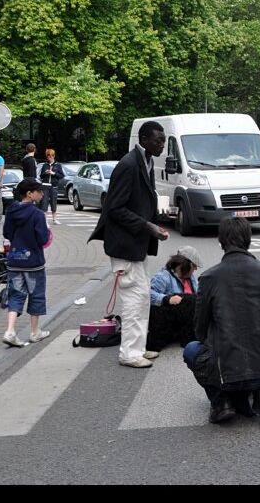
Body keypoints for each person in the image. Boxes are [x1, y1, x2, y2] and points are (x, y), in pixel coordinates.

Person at [182, 218, 260, 426]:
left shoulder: (208, 278)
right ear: (249, 240)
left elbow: (200, 332)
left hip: (224, 372)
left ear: (221, 242)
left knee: (191, 350)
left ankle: (221, 401)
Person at [88, 121, 170, 368]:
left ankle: (138, 347)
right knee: (135, 297)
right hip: (125, 244)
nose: (162, 145)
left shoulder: (145, 160)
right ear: (144, 139)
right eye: (158, 141)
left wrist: (154, 222)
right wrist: (148, 226)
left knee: (142, 296)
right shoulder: (128, 165)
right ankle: (129, 353)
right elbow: (114, 209)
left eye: (163, 141)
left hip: (136, 243)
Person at [1, 178, 52, 347]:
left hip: (15, 260)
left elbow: (7, 233)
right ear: (30, 194)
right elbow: (43, 238)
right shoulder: (37, 214)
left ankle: (10, 331)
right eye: (39, 191)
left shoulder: (11, 211)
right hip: (34, 261)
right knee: (36, 295)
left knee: (15, 294)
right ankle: (35, 332)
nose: (42, 193)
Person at [146, 246, 202, 353]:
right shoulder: (163, 277)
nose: (196, 269)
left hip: (183, 321)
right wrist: (166, 299)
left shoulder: (191, 278)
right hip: (166, 320)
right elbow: (148, 294)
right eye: (194, 266)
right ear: (185, 264)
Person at [37, 148, 65, 225]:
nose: (49, 157)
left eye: (51, 156)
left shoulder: (58, 165)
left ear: (54, 156)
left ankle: (54, 219)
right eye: (48, 156)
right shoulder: (44, 165)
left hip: (54, 186)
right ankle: (45, 220)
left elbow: (62, 176)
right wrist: (45, 173)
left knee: (54, 202)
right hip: (45, 186)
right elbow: (41, 176)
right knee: (44, 202)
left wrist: (54, 173)